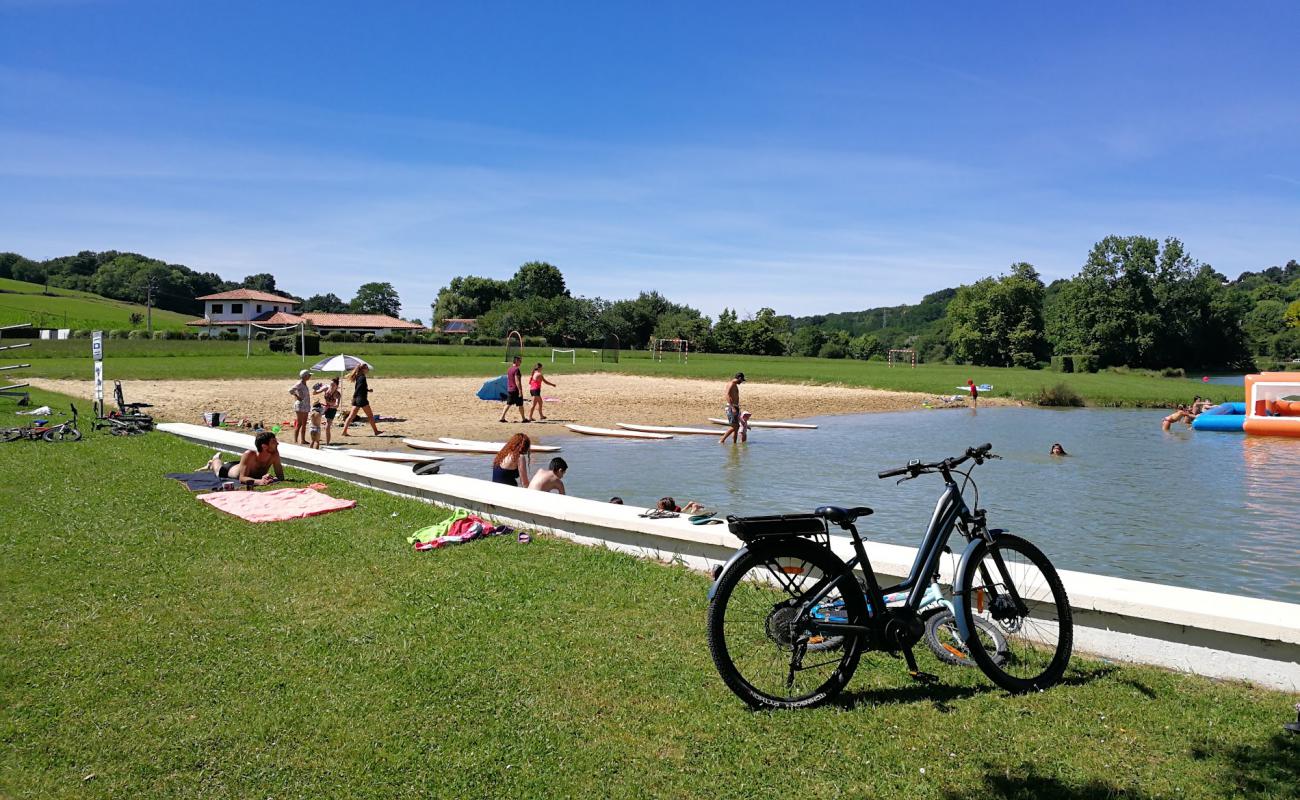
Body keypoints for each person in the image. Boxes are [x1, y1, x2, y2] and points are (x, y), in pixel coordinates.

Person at [204, 431, 285, 487]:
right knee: (217, 469)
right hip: (228, 470)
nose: (277, 443)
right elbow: (242, 479)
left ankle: (214, 462)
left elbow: (280, 477)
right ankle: (215, 459)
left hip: (242, 465)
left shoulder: (274, 454)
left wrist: (270, 478)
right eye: (274, 442)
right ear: (264, 446)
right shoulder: (249, 455)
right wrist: (260, 481)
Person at [342, 363, 383, 437]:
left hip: (357, 399)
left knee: (351, 416)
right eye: (367, 368)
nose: (368, 369)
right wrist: (356, 397)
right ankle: (376, 431)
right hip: (362, 399)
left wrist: (367, 390)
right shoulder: (362, 377)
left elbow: (360, 388)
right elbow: (359, 388)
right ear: (363, 369)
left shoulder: (358, 376)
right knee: (370, 416)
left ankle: (344, 431)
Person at [499, 356, 528, 423]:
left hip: (510, 389)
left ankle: (502, 417)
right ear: (517, 361)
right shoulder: (516, 369)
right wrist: (520, 390)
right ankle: (523, 419)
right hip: (515, 389)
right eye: (520, 361)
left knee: (508, 403)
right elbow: (517, 380)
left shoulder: (509, 369)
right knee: (520, 404)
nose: (521, 362)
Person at [314, 376, 342, 445]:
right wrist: (315, 388)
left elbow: (337, 405)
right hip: (324, 407)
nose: (331, 386)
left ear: (336, 386)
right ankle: (316, 439)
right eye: (331, 384)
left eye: (333, 385)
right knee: (315, 423)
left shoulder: (337, 394)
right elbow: (314, 393)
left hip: (332, 410)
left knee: (327, 426)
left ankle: (327, 443)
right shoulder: (326, 388)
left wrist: (330, 405)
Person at [719, 372, 745, 444]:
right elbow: (727, 395)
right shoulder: (731, 384)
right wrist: (732, 407)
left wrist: (736, 407)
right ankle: (722, 440)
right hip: (731, 407)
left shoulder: (734, 385)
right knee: (735, 427)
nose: (742, 382)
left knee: (736, 428)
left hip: (735, 407)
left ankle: (734, 444)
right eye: (742, 380)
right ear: (739, 378)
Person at [289, 369, 312, 444]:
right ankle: (295, 440)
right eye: (309, 375)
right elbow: (290, 390)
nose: (310, 376)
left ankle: (303, 440)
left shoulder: (304, 383)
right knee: (299, 423)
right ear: (305, 376)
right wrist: (297, 396)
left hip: (305, 405)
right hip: (300, 405)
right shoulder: (299, 384)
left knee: (304, 423)